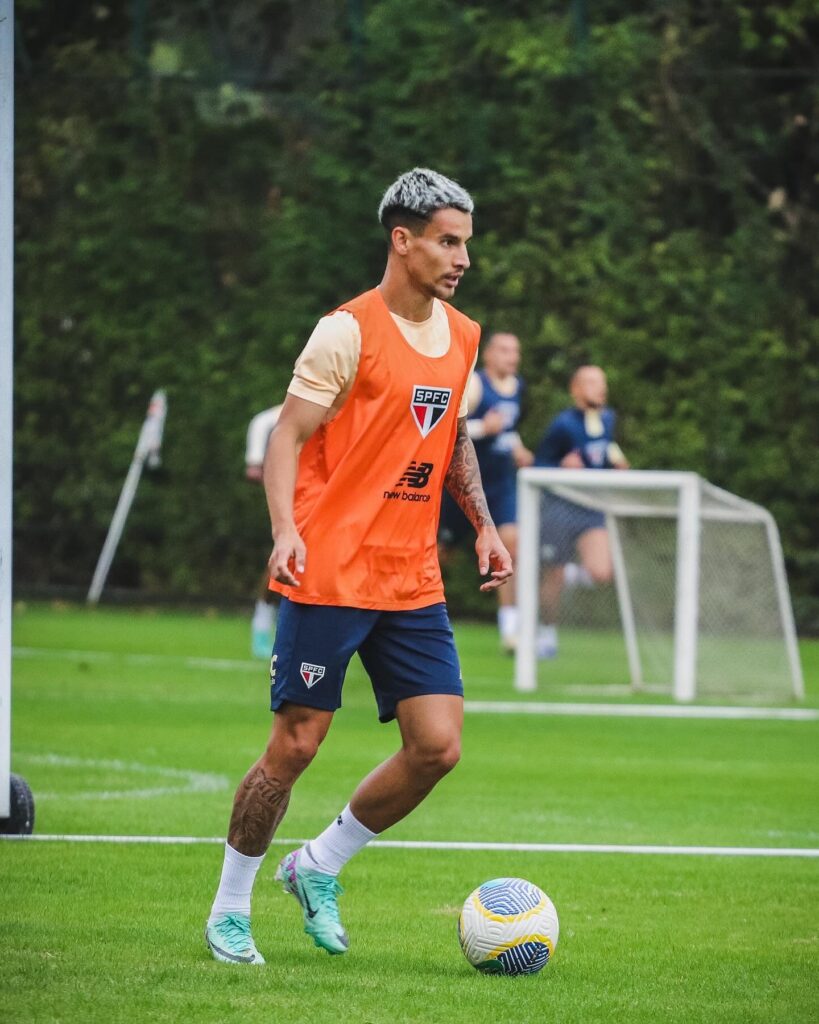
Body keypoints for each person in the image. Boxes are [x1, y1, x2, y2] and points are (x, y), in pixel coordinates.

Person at [205, 167, 513, 966]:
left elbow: (449, 437)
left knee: (437, 747)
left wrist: (482, 524)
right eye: (448, 242)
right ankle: (230, 907)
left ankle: (317, 865)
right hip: (330, 571)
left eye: (466, 244)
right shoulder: (343, 331)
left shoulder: (464, 334)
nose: (462, 260)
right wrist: (283, 529)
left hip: (410, 576)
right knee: (295, 747)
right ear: (401, 241)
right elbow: (286, 436)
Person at [438, 331, 533, 652]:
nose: (512, 357)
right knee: (438, 556)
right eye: (505, 350)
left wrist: (518, 448)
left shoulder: (518, 387)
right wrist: (482, 429)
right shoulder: (476, 385)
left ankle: (511, 631)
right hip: (463, 488)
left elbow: (508, 428)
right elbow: (450, 428)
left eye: (516, 351)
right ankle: (421, 616)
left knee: (512, 547)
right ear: (489, 355)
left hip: (499, 487)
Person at [534, 365, 628, 658]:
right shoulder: (562, 425)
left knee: (602, 572)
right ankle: (547, 634)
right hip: (560, 508)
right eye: (591, 382)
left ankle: (571, 573)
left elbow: (605, 449)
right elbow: (538, 465)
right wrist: (560, 467)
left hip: (591, 508)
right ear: (575, 390)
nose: (600, 388)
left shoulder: (608, 418)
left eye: (602, 382)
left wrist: (617, 463)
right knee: (553, 578)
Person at [245, 405, 283, 658]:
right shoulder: (273, 419)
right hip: (293, 499)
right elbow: (254, 469)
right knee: (283, 557)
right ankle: (262, 624)